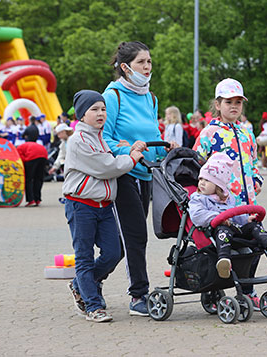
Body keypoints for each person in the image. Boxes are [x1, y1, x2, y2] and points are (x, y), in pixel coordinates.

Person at [102, 41, 178, 316]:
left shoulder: (150, 97)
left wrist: (164, 147)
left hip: (147, 172)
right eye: (141, 63)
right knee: (136, 236)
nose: (147, 68)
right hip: (123, 173)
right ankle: (138, 295)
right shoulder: (112, 96)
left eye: (149, 62)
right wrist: (130, 149)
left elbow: (149, 134)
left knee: (127, 241)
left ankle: (88, 280)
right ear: (125, 67)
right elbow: (105, 139)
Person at [63, 90, 145, 323]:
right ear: (82, 115)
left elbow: (112, 154)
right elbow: (107, 167)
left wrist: (128, 148)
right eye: (94, 109)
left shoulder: (100, 137)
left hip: (104, 206)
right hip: (81, 206)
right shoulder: (78, 140)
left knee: (114, 251)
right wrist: (133, 157)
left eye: (103, 109)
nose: (101, 113)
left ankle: (80, 284)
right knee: (84, 257)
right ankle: (93, 305)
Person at [193, 78, 264, 309]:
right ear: (218, 104)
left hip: (246, 202)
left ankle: (247, 288)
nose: (234, 106)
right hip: (220, 205)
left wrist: (256, 179)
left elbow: (253, 163)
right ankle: (215, 290)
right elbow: (197, 164)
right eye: (228, 102)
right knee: (222, 246)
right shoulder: (209, 133)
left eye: (238, 102)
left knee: (252, 243)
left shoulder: (247, 134)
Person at [189, 152, 267, 278]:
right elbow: (197, 215)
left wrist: (246, 219)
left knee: (254, 226)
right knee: (223, 229)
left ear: (219, 185)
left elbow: (234, 213)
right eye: (201, 179)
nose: (202, 183)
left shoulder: (228, 198)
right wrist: (218, 218)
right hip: (216, 234)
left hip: (235, 230)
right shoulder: (198, 198)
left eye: (207, 180)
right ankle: (224, 261)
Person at [16, 127, 48, 207]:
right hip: (43, 154)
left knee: (29, 179)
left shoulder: (22, 146)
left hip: (31, 157)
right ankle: (37, 199)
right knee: (38, 178)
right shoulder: (40, 145)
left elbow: (19, 158)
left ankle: (31, 200)